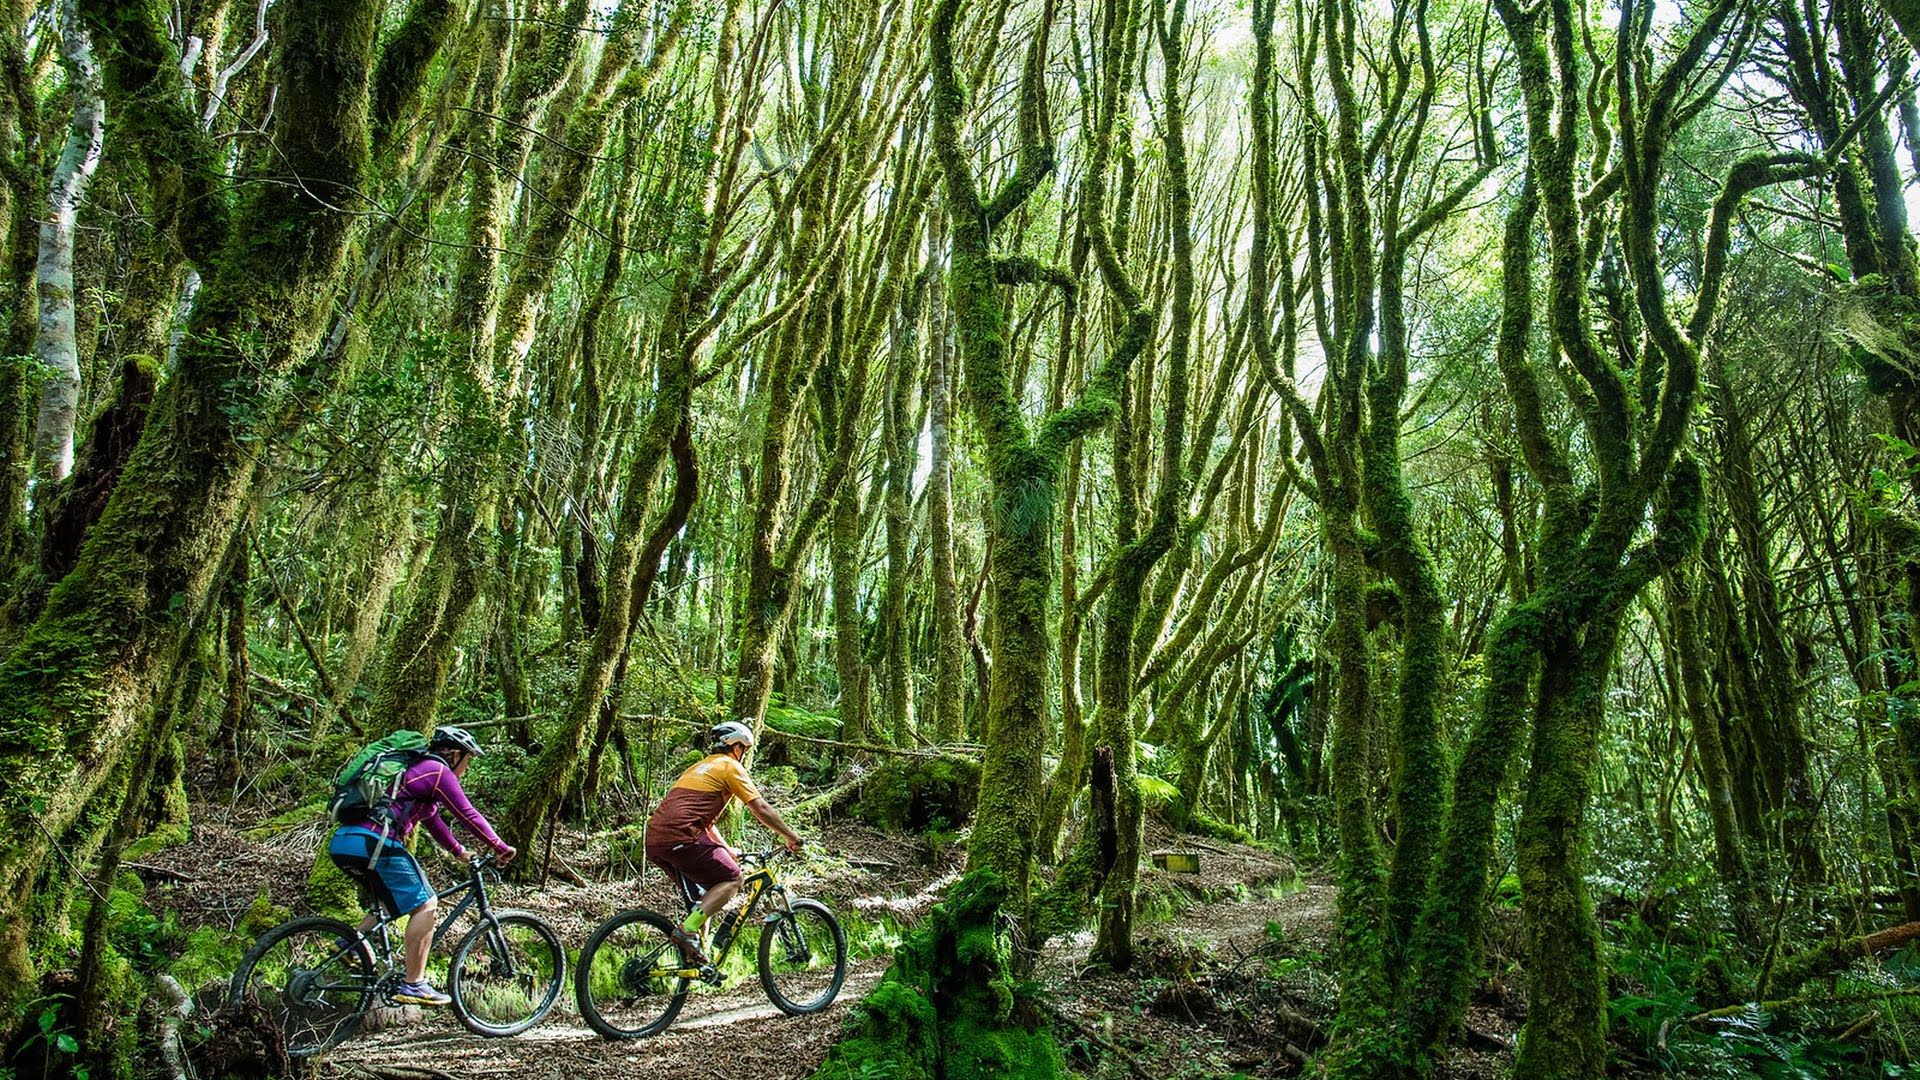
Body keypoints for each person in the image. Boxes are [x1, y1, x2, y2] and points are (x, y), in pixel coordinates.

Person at [326, 725, 517, 1006]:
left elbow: (432, 820)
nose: (467, 767)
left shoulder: (414, 774)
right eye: (468, 759)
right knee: (426, 903)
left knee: (392, 901)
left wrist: (459, 852)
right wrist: (499, 845)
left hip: (346, 842)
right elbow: (466, 813)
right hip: (375, 842)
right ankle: (413, 984)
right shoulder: (437, 771)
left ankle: (349, 942)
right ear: (454, 754)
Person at [644, 720, 803, 965]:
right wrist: (790, 835)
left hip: (656, 840)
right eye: (744, 749)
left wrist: (727, 850)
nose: (744, 755)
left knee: (703, 899)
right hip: (682, 837)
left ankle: (699, 961)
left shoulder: (699, 767)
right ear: (736, 747)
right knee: (732, 879)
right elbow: (759, 807)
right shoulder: (729, 767)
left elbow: (704, 823)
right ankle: (687, 932)